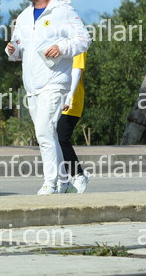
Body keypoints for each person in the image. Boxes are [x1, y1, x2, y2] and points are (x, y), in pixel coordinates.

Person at [6, 0, 91, 195]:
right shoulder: (23, 17)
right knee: (49, 133)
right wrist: (12, 50)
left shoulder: (63, 11)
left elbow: (84, 39)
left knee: (44, 132)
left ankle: (50, 183)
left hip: (55, 82)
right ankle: (65, 180)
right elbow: (18, 50)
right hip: (32, 86)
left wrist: (62, 47)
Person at [58, 52, 90, 193]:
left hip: (71, 101)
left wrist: (68, 97)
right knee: (54, 140)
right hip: (56, 98)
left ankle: (79, 174)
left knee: (61, 138)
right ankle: (63, 179)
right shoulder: (59, 44)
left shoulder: (79, 46)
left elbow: (76, 71)